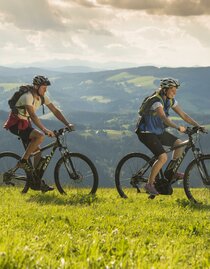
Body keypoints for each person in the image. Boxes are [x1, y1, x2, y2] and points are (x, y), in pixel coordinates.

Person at [4, 75, 75, 192]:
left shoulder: (42, 97)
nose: (45, 90)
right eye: (43, 87)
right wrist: (45, 130)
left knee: (37, 153)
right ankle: (23, 160)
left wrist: (67, 124)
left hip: (26, 124)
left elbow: (55, 111)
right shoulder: (27, 97)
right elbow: (33, 115)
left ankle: (36, 181)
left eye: (46, 87)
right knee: (40, 136)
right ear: (36, 86)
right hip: (16, 124)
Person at [136, 78, 204, 195]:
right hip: (146, 132)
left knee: (178, 144)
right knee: (162, 157)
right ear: (165, 90)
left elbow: (183, 115)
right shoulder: (156, 101)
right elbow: (163, 118)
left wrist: (198, 126)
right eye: (172, 90)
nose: (174, 92)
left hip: (157, 131)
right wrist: (178, 127)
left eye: (175, 90)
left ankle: (170, 173)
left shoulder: (170, 100)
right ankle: (149, 184)